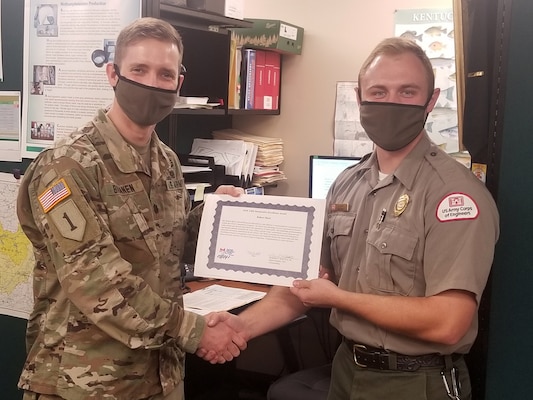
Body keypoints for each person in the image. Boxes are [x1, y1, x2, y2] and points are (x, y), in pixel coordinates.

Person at [200, 37, 500, 400]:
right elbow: (306, 287)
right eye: (378, 91)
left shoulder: (453, 196)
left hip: (418, 383)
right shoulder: (347, 184)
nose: (391, 102)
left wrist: (340, 298)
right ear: (360, 99)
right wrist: (242, 326)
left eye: (407, 92)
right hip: (347, 372)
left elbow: (449, 322)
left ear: (431, 101)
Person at [17, 17, 246, 400]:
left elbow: (167, 251)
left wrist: (213, 214)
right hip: (83, 381)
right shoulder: (67, 166)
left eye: (165, 74)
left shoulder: (167, 161)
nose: (152, 84)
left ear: (178, 83)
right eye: (139, 69)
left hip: (160, 374)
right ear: (113, 73)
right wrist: (196, 331)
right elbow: (99, 283)